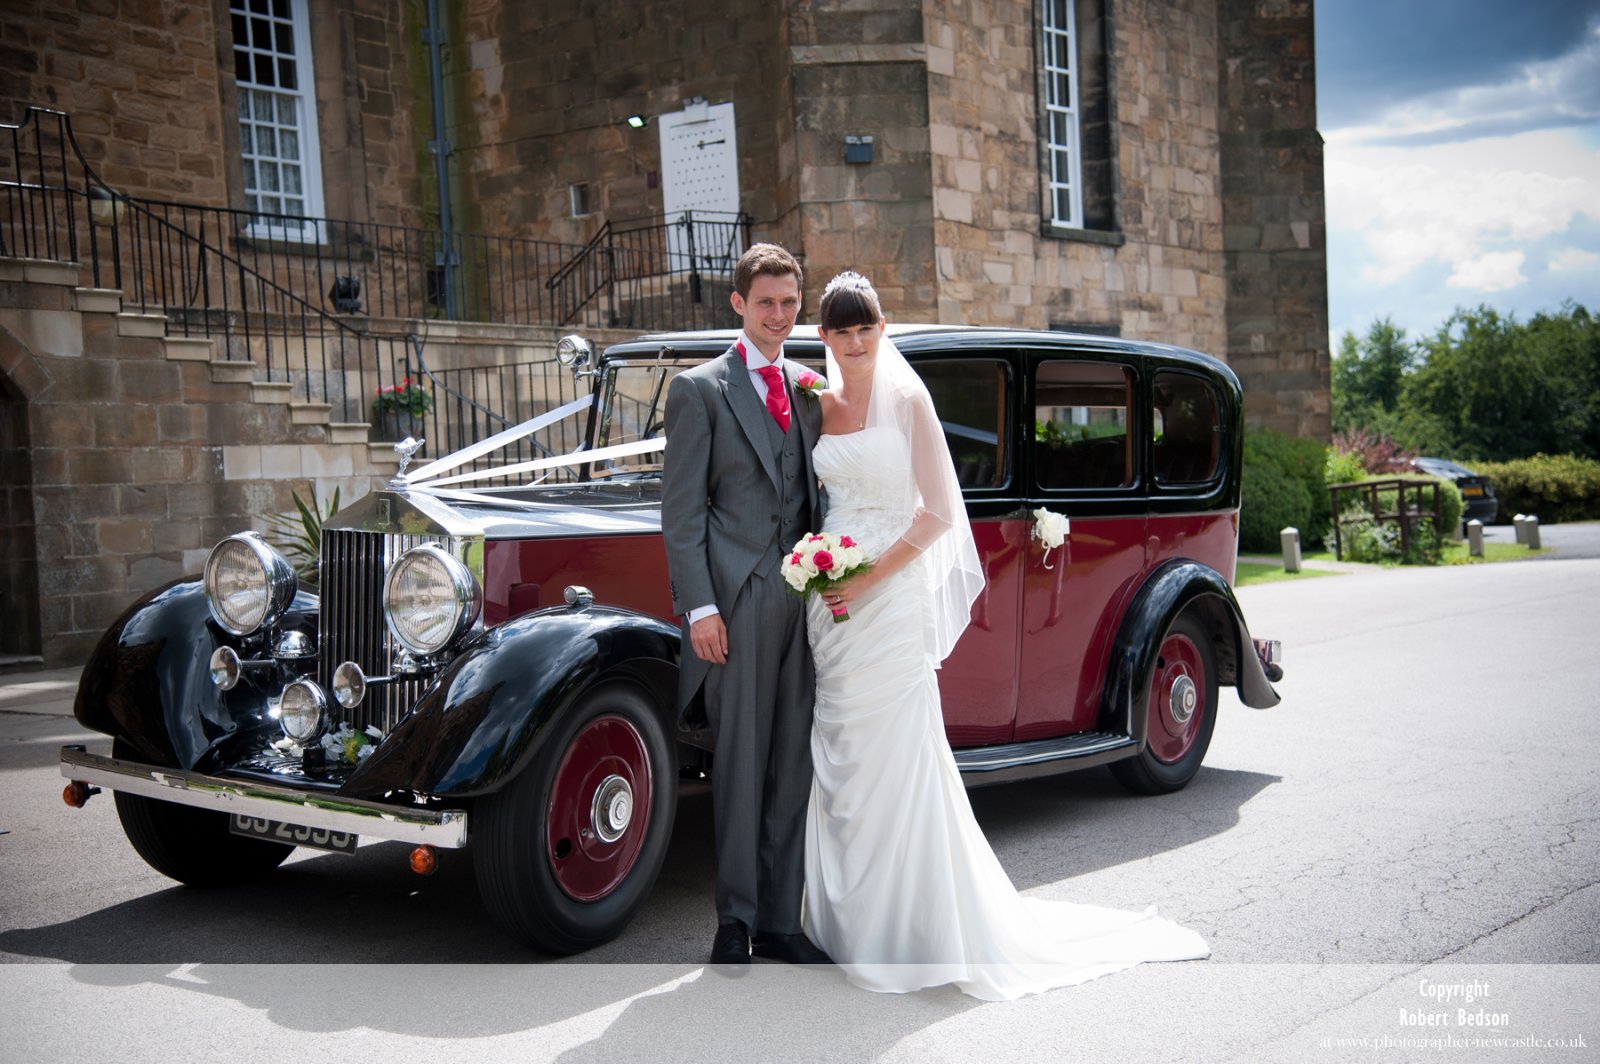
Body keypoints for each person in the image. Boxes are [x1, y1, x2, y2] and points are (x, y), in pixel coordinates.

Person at [803, 271, 1210, 1000]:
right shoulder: (818, 406)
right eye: (842, 331)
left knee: (895, 749)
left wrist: (867, 579)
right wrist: (823, 568)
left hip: (886, 595)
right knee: (839, 748)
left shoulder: (908, 402)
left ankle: (911, 926)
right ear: (824, 336)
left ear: (881, 329)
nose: (855, 342)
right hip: (830, 598)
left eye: (865, 328)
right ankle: (841, 917)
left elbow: (936, 513)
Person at [661, 243, 832, 972]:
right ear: (739, 303)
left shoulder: (810, 388)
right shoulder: (700, 389)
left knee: (793, 760)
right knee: (739, 765)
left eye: (790, 302)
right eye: (766, 301)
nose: (779, 315)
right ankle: (733, 921)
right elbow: (681, 515)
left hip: (805, 599)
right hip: (737, 600)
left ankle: (779, 922)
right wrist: (700, 608)